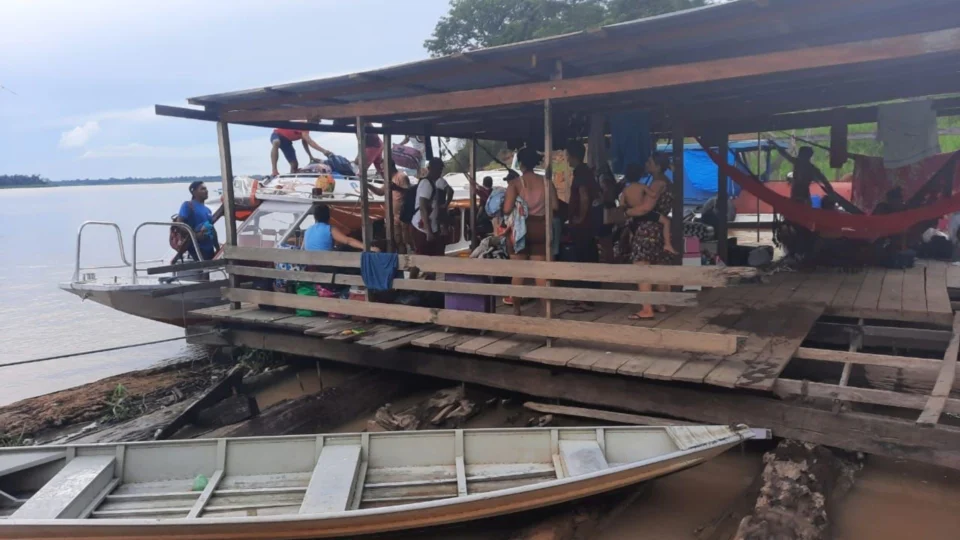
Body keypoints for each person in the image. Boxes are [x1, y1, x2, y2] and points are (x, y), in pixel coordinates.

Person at [620, 155, 678, 320]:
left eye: (649, 162)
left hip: (648, 228)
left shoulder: (657, 183)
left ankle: (646, 308)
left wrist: (627, 213)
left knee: (642, 265)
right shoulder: (666, 182)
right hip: (660, 226)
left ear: (658, 166)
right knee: (659, 263)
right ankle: (660, 303)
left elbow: (646, 208)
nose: (646, 164)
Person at [503, 147, 559, 312]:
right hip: (540, 227)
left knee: (518, 271)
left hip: (520, 230)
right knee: (540, 272)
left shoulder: (515, 184)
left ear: (520, 164)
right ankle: (546, 310)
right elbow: (555, 206)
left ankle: (517, 309)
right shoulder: (546, 182)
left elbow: (507, 209)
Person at [365, 160, 411, 253]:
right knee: (397, 241)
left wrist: (396, 188)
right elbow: (380, 192)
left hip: (403, 216)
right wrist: (368, 185)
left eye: (383, 168)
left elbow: (409, 192)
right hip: (393, 217)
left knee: (406, 241)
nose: (382, 170)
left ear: (390, 166)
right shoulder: (389, 179)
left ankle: (407, 261)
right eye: (381, 168)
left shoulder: (401, 176)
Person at [410, 157, 449, 258]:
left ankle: (428, 274)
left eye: (441, 169)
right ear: (431, 169)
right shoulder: (426, 184)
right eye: (438, 169)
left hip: (429, 227)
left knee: (429, 258)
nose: (440, 172)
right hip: (423, 229)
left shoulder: (432, 184)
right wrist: (429, 232)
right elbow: (423, 208)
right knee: (422, 258)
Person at [176, 181, 222, 261]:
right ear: (194, 192)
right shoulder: (188, 205)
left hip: (209, 249)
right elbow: (179, 225)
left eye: (206, 189)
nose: (206, 191)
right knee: (203, 271)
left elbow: (212, 229)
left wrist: (217, 248)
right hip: (196, 248)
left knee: (208, 271)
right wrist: (195, 235)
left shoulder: (208, 210)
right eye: (203, 189)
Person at [304, 204, 374, 253]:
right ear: (329, 217)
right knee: (346, 248)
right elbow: (348, 241)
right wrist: (368, 248)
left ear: (315, 217)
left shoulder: (308, 230)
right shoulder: (329, 229)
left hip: (310, 264)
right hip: (324, 265)